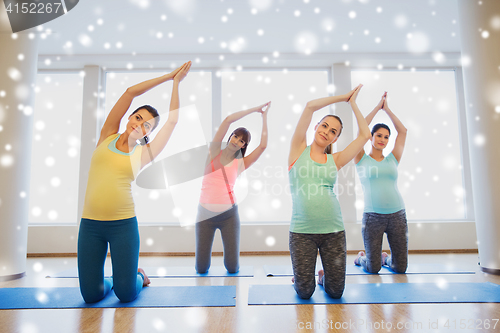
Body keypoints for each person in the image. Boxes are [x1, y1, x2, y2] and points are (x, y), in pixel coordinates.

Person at [78, 61, 192, 303]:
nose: (138, 125)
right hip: (90, 225)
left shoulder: (143, 153)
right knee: (91, 295)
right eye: (138, 118)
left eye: (145, 125)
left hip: (123, 226)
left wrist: (176, 84)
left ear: (147, 133)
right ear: (130, 116)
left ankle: (137, 276)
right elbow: (130, 92)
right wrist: (167, 75)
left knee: (127, 294)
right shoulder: (107, 135)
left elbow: (172, 122)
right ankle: (115, 279)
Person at [288, 84, 370, 299]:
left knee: (336, 292)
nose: (327, 132)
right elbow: (309, 106)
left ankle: (322, 277)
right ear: (316, 127)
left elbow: (365, 135)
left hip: (333, 231)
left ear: (335, 139)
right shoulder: (298, 150)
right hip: (301, 233)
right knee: (305, 292)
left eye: (333, 131)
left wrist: (353, 104)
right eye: (324, 126)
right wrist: (344, 97)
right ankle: (301, 277)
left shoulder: (336, 159)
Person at [196, 102, 271, 274]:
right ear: (230, 137)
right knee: (201, 269)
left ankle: (232, 264)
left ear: (244, 146)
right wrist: (255, 109)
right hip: (204, 215)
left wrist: (264, 117)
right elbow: (228, 120)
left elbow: (263, 146)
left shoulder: (240, 164)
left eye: (242, 141)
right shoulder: (213, 152)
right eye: (236, 137)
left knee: (232, 268)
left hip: (228, 216)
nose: (237, 141)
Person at [353, 92, 408, 274]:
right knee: (373, 268)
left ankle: (386, 258)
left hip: (397, 215)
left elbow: (403, 132)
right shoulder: (361, 158)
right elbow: (361, 130)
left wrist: (388, 110)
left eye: (386, 137)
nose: (382, 140)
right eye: (378, 135)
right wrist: (377, 108)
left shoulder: (393, 159)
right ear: (371, 137)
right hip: (372, 217)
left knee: (400, 268)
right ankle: (362, 258)